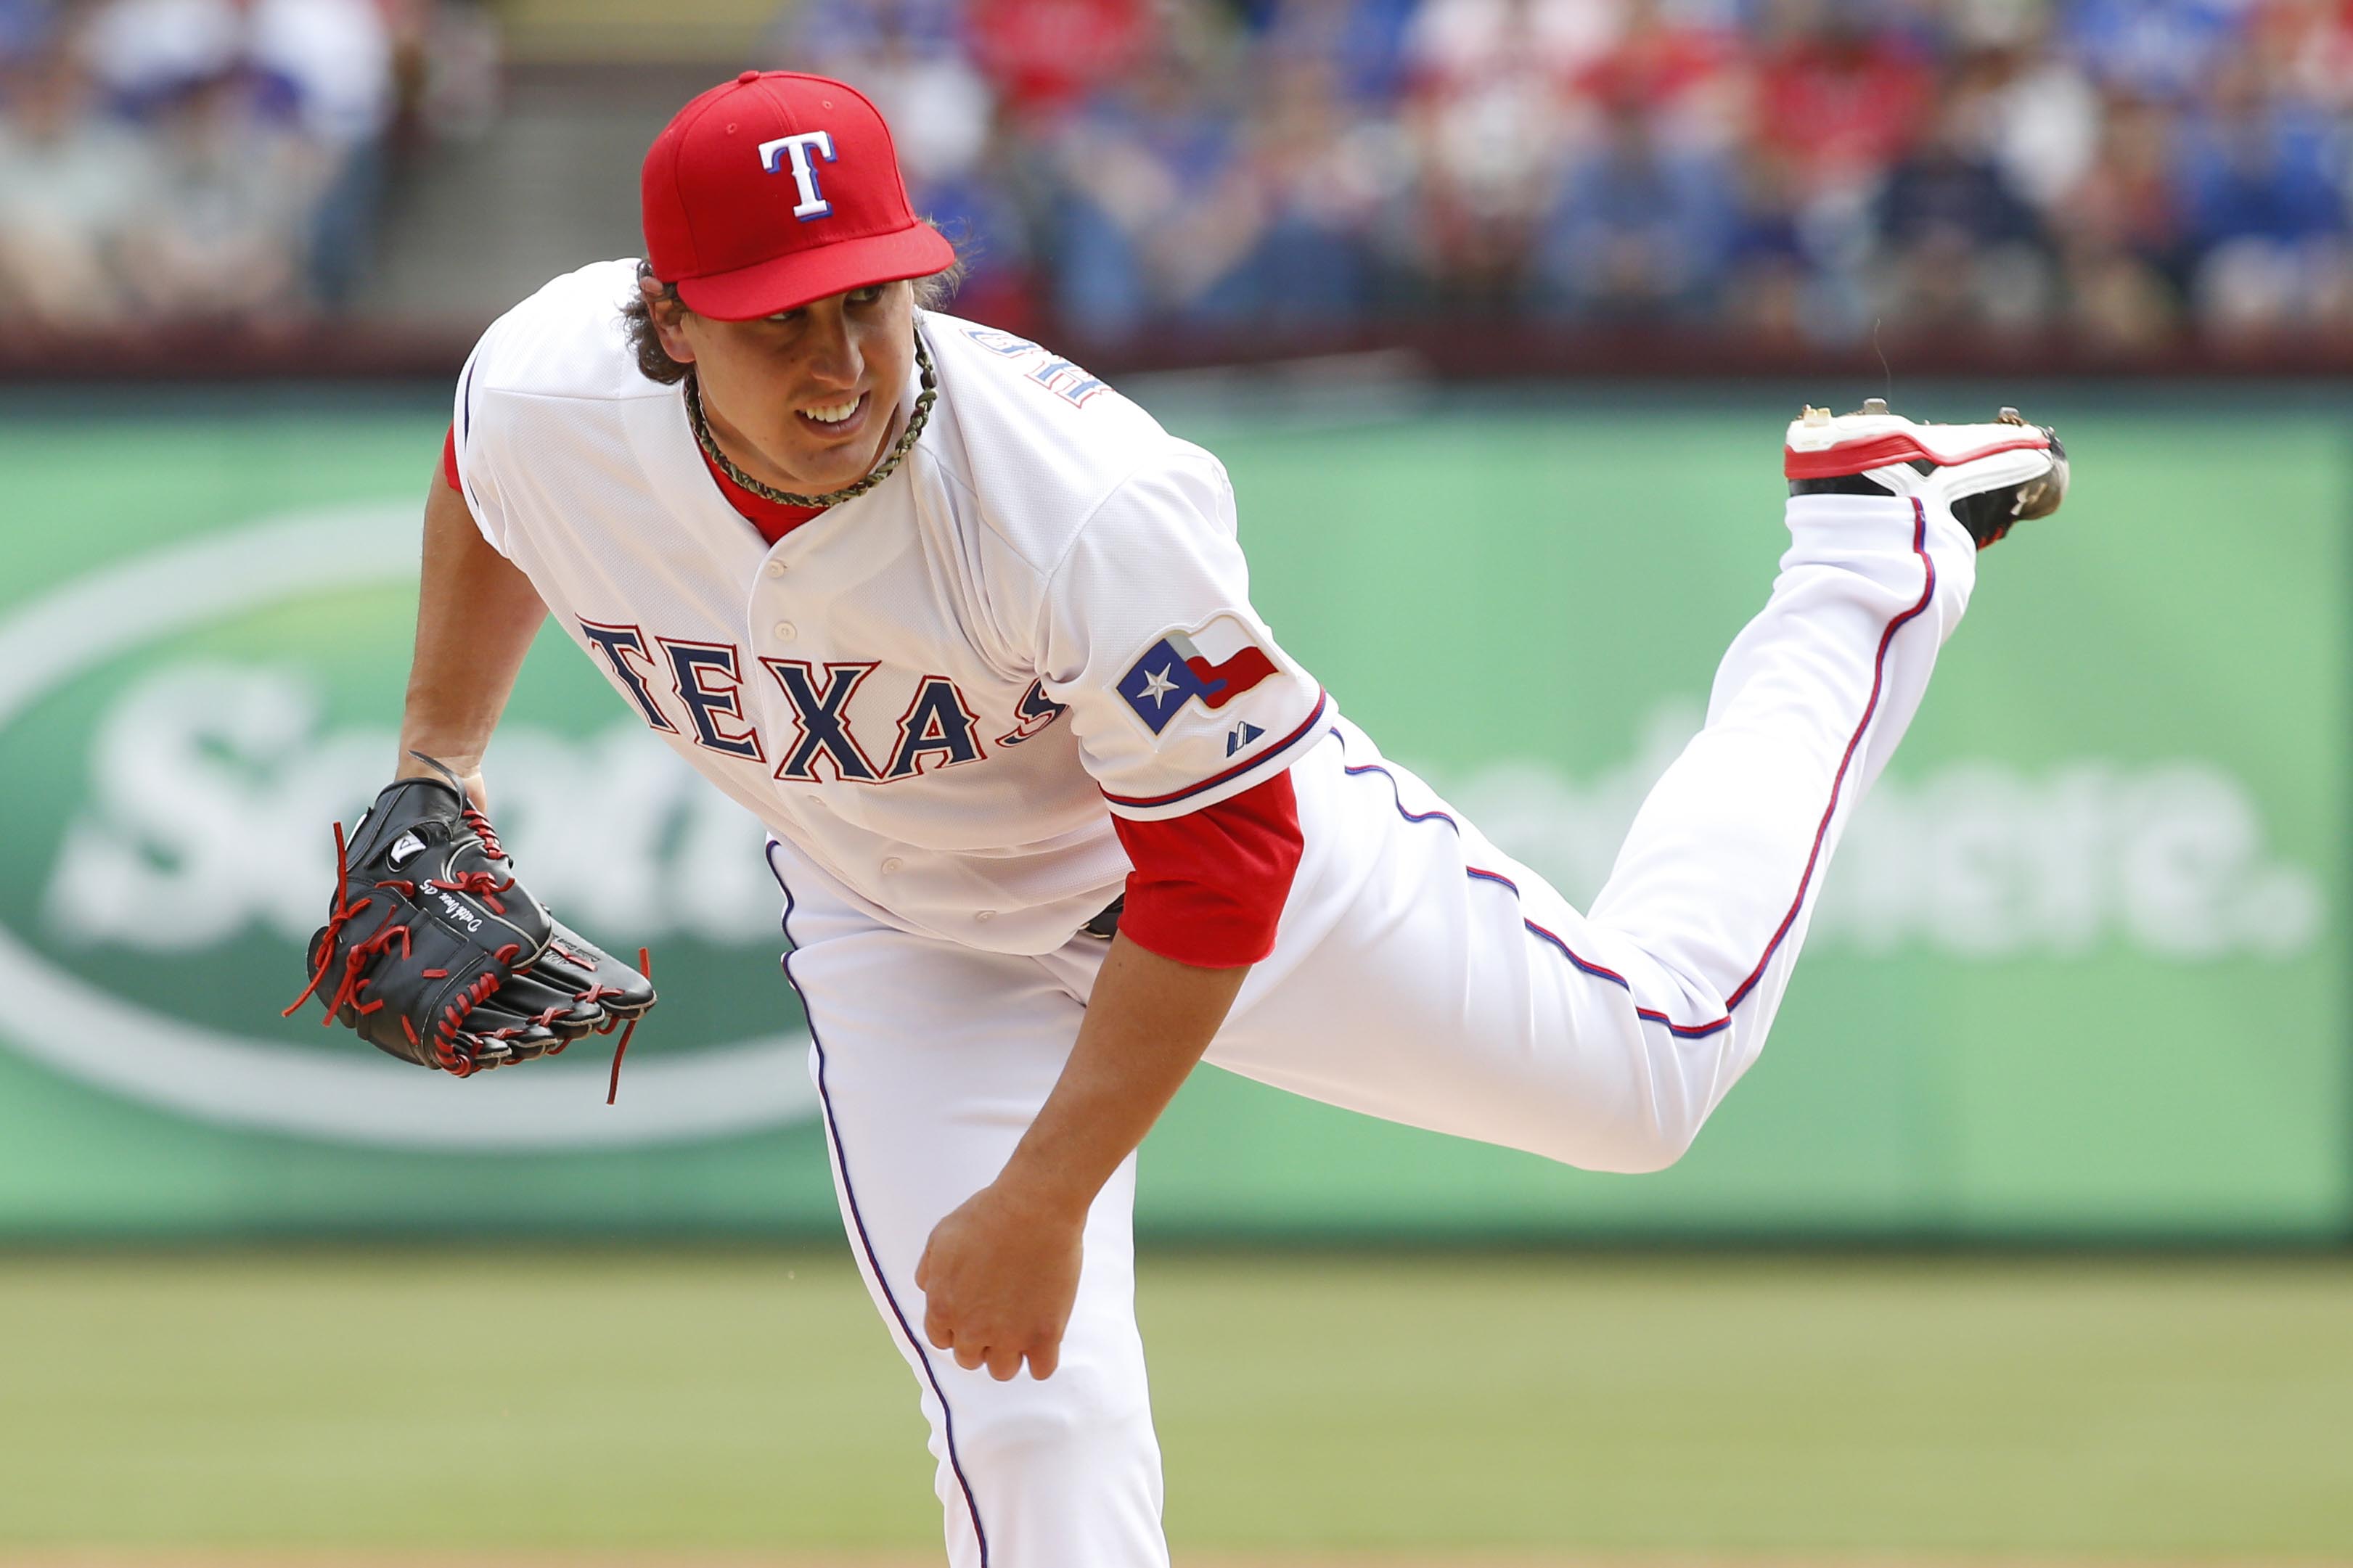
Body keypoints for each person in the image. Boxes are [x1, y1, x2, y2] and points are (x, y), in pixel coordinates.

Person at [382, 70, 2066, 1568]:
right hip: (907, 926)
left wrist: (1044, 1195)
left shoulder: (1076, 504)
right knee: (1023, 1420)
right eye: (780, 322)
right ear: (668, 321)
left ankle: (1862, 556)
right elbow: (485, 477)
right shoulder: (548, 388)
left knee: (1645, 1080)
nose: (837, 363)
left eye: (870, 305)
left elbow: (1223, 863)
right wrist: (435, 768)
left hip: (1196, 881)